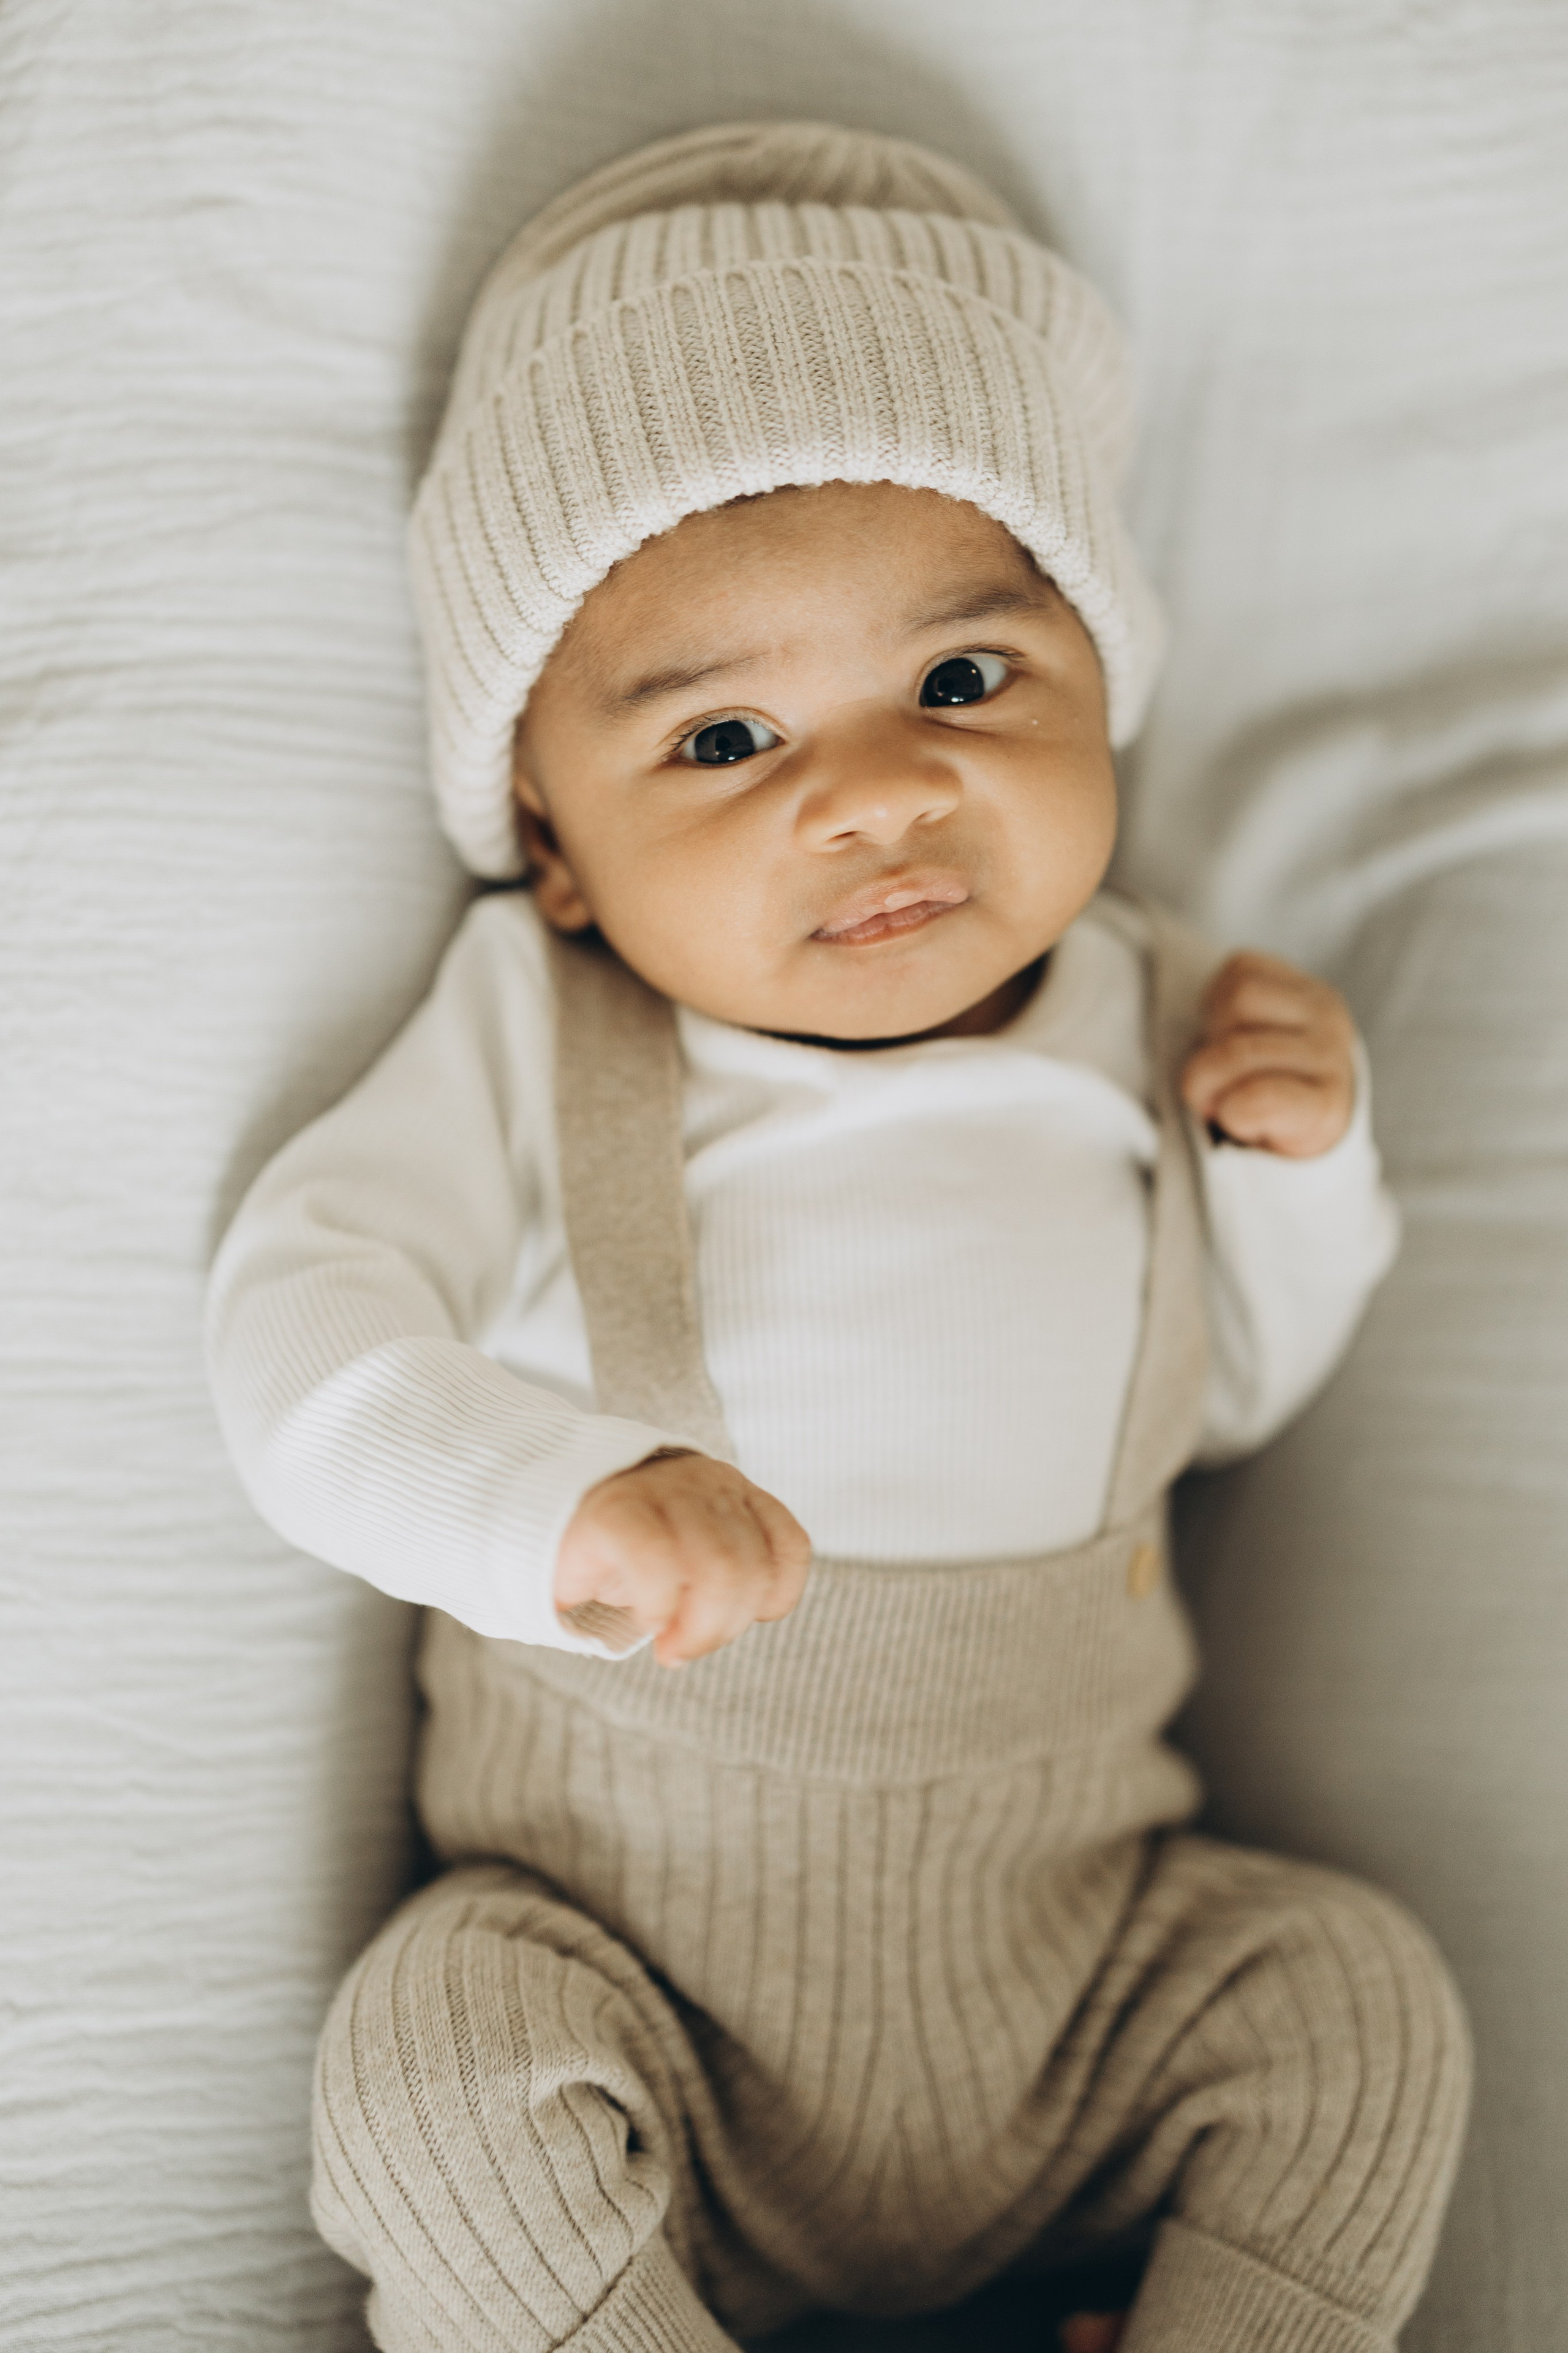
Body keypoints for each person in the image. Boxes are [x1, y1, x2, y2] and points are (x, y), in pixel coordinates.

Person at [205, 121, 1469, 2353]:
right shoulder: (542, 1024)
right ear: (559, 847)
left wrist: (1297, 1171)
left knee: (1361, 2005)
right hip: (629, 1978)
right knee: (426, 2067)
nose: (871, 790)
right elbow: (304, 1326)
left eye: (965, 685)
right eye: (720, 736)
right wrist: (546, 1506)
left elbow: (1233, 1396)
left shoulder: (1164, 1014)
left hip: (1091, 1968)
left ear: (1105, 672)